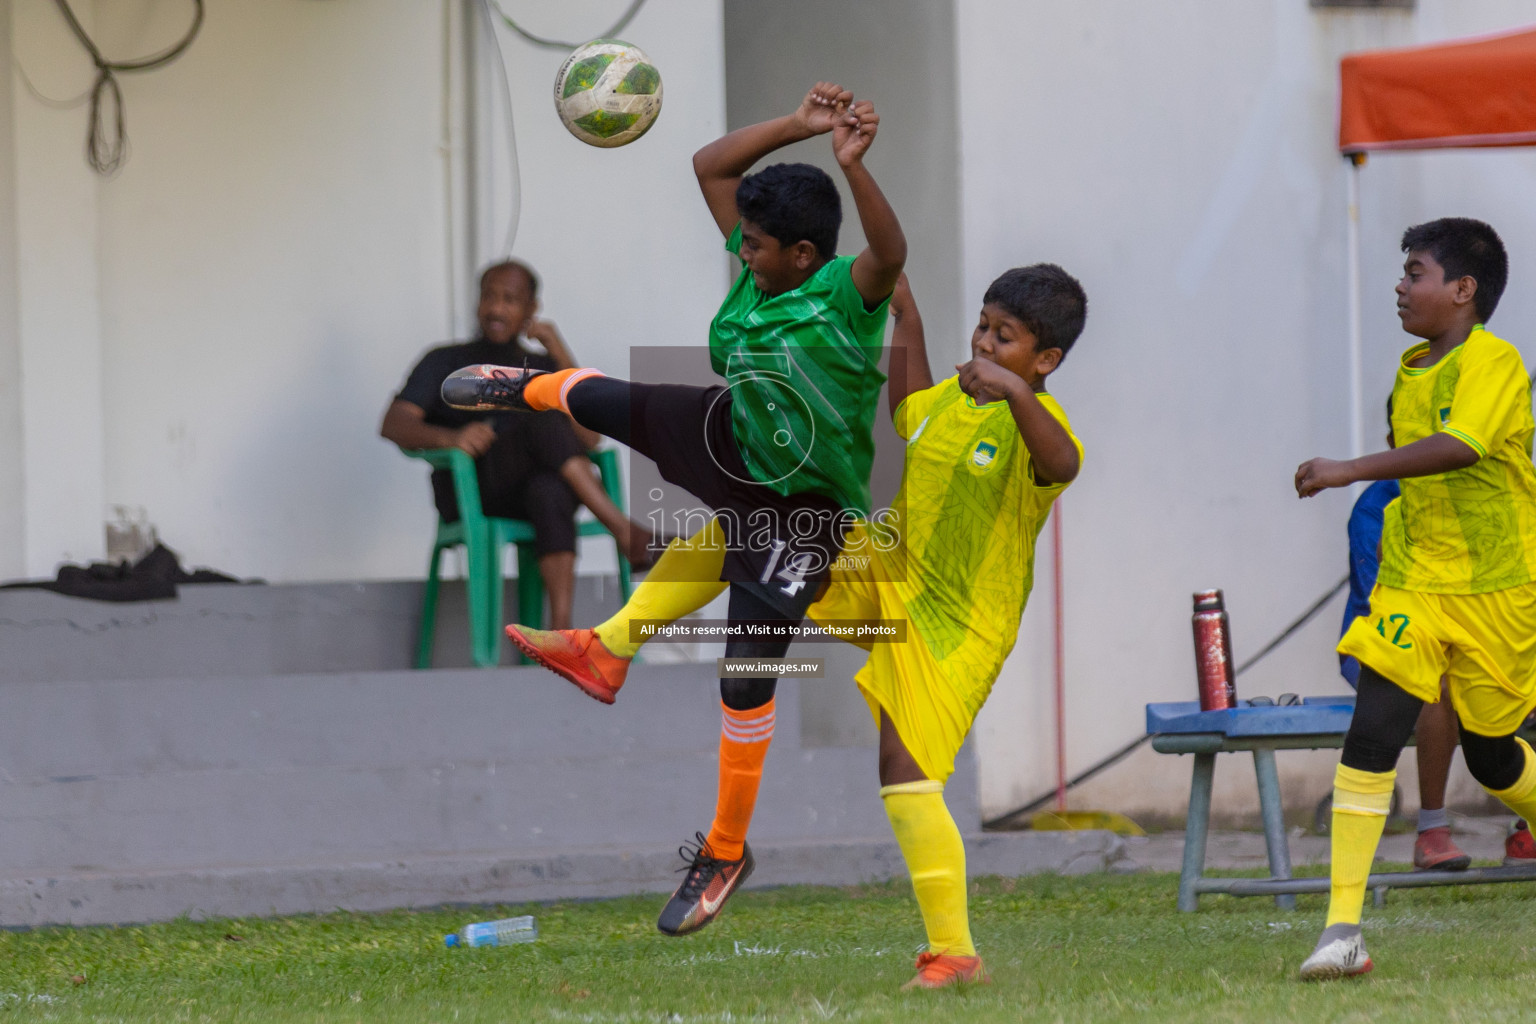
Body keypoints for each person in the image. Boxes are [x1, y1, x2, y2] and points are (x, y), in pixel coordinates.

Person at [449, 82, 906, 936]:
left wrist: (852, 165)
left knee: (744, 675)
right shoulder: (759, 271)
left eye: (759, 245)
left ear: (805, 253)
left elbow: (891, 246)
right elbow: (709, 165)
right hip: (736, 435)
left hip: (802, 504)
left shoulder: (847, 295)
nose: (744, 251)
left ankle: (726, 851)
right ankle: (525, 388)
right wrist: (798, 128)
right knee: (623, 401)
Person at [1294, 217, 1536, 980]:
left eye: (1416, 272)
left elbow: (1459, 448)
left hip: (1498, 592)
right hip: (1412, 584)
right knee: (1373, 730)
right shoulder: (1412, 368)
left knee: (1495, 758)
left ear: (1463, 291)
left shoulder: (1495, 363)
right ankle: (1341, 932)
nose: (1401, 285)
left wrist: (1347, 468)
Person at [380, 260, 654, 631]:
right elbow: (394, 422)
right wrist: (452, 438)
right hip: (475, 489)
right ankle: (624, 532)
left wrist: (559, 350)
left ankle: (560, 633)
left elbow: (590, 438)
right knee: (542, 416)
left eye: (510, 300)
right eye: (489, 297)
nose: (496, 308)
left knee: (549, 490)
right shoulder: (445, 361)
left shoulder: (543, 364)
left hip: (537, 490)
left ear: (530, 309)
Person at [1339, 399, 1469, 871]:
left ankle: (1525, 832)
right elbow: (1388, 603)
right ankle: (1431, 829)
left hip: (1464, 636)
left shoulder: (1479, 499)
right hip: (1386, 639)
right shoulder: (1375, 508)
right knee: (1433, 680)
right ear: (1393, 445)